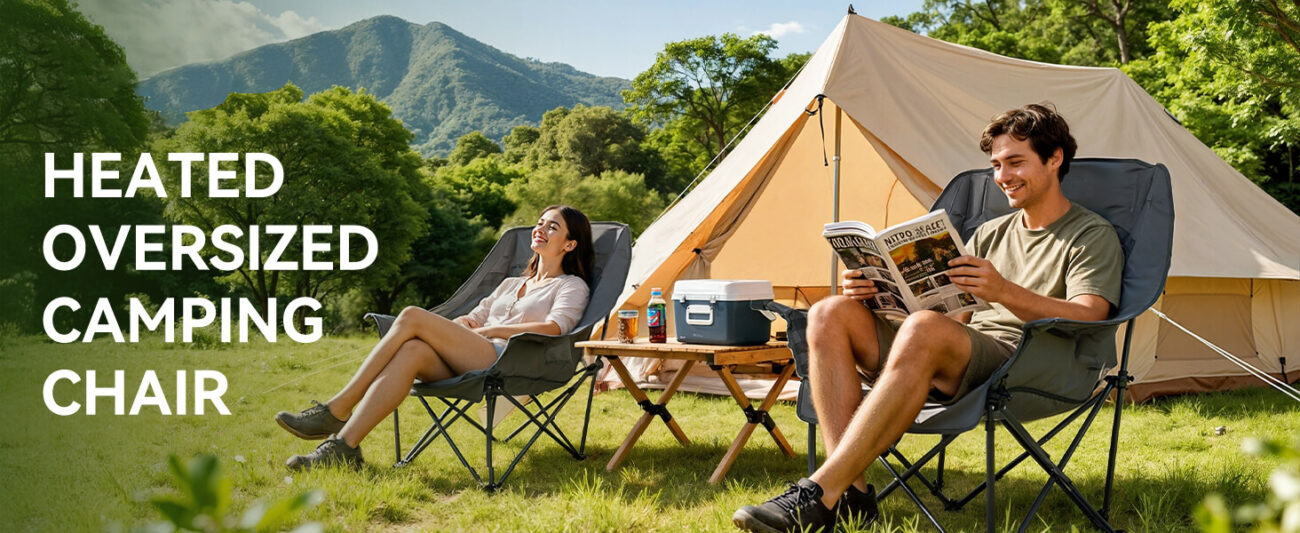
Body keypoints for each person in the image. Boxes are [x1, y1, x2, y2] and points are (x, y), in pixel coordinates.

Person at [733, 104, 1124, 532]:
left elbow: (1091, 316)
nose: (1002, 176)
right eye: (996, 165)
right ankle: (852, 493)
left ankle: (816, 493)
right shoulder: (991, 233)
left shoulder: (1090, 234)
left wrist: (1003, 292)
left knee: (921, 329)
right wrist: (876, 296)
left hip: (1032, 360)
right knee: (829, 313)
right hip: (955, 348)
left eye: (1016, 162)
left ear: (1054, 159)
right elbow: (953, 318)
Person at [274, 205, 595, 470]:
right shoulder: (512, 284)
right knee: (412, 349)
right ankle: (344, 448)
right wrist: (462, 326)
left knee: (412, 314)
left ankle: (336, 410)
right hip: (476, 352)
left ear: (569, 244)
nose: (541, 228)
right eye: (540, 223)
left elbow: (556, 328)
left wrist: (491, 330)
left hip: (511, 358)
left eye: (553, 227)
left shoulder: (571, 285)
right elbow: (475, 317)